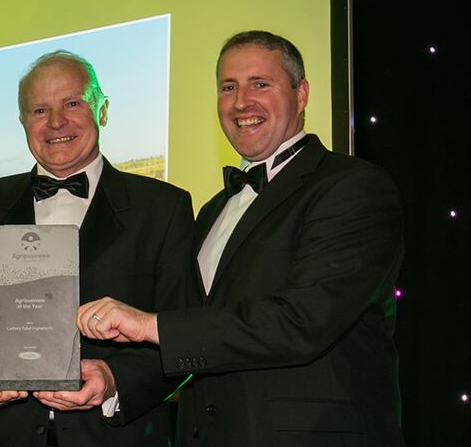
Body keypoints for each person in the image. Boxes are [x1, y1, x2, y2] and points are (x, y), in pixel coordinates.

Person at [77, 31, 405, 447]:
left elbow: (302, 321)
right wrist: (113, 379)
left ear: (301, 94)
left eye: (260, 84)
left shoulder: (352, 186)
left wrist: (147, 324)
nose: (241, 102)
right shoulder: (212, 209)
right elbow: (195, 329)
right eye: (228, 87)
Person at [0, 50, 194, 446]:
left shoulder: (163, 207)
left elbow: (183, 330)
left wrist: (114, 381)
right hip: (0, 434)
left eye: (72, 103)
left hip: (115, 436)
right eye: (39, 110)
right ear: (23, 122)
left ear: (103, 110)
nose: (56, 122)